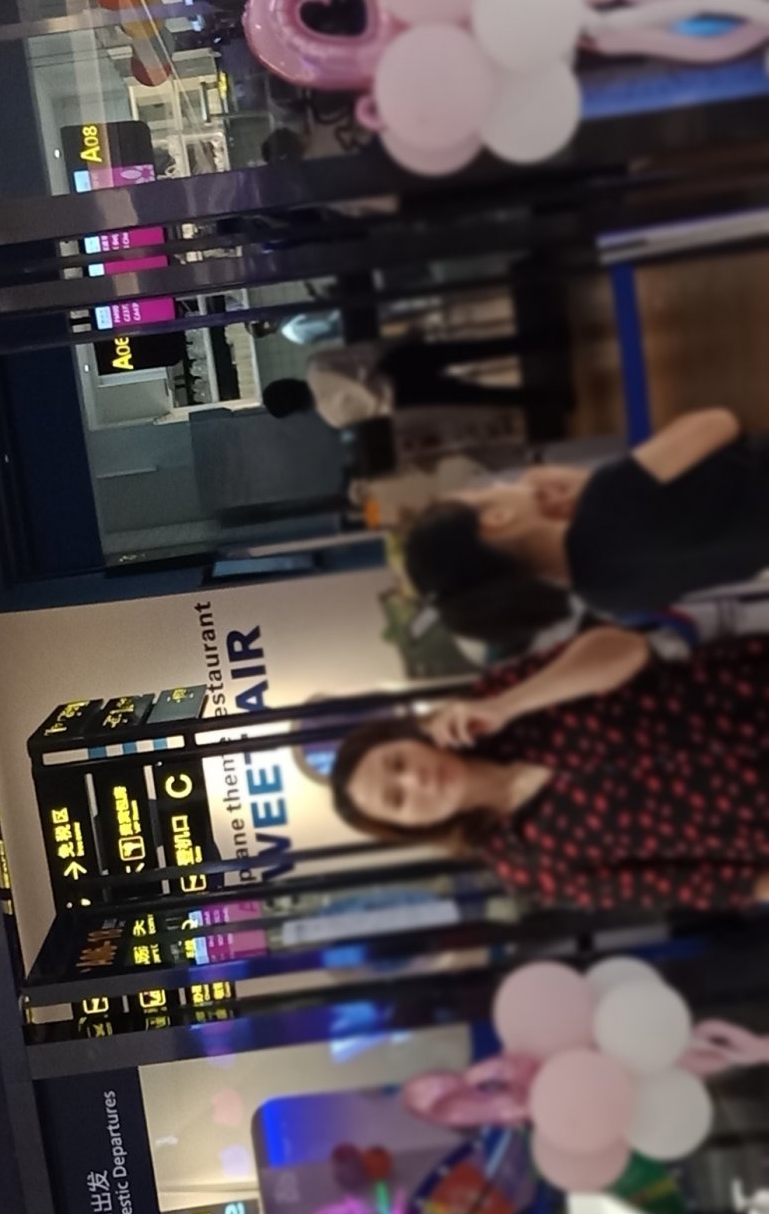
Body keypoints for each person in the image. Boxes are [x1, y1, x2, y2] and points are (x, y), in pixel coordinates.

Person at [329, 626, 769, 911]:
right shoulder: (526, 867)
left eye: (398, 762)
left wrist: (507, 705)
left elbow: (628, 649)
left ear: (412, 737)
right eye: (398, 798)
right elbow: (703, 884)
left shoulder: (496, 697)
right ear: (413, 827)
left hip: (747, 695)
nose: (414, 779)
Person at [403, 408, 769, 652]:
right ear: (497, 518)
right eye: (484, 492)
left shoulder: (606, 599)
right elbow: (717, 422)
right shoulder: (605, 498)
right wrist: (588, 480)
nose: (499, 485)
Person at [263, 332, 531, 430]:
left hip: (403, 398)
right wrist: (404, 340)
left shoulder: (333, 418)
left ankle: (540, 397)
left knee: (474, 397)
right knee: (472, 351)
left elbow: (378, 415)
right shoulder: (317, 366)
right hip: (397, 365)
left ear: (294, 410)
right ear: (289, 382)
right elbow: (367, 352)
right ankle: (535, 341)